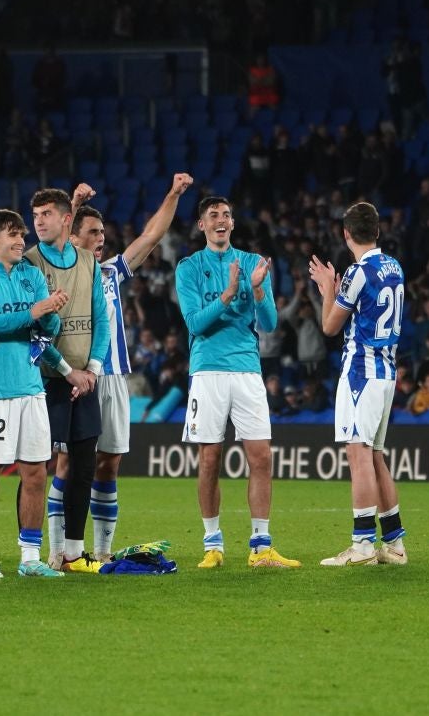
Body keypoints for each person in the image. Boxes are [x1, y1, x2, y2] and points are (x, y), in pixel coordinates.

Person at [67, 173, 192, 561]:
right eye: (92, 231)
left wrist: (172, 194)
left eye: (103, 231)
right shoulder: (61, 273)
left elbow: (151, 236)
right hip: (75, 378)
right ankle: (61, 552)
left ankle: (102, 554)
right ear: (75, 238)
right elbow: (51, 244)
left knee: (110, 462)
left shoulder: (110, 272)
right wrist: (71, 207)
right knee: (66, 462)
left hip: (115, 376)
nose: (101, 237)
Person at [177, 196, 298, 569]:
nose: (221, 220)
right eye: (213, 215)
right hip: (208, 370)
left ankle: (261, 545)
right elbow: (195, 324)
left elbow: (271, 323)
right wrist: (229, 294)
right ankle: (213, 544)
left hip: (247, 369)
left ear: (232, 223)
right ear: (201, 225)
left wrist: (258, 289)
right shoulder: (189, 267)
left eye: (227, 215)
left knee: (261, 456)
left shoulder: (252, 263)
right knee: (209, 459)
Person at [0, 209, 69, 580]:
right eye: (13, 235)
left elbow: (45, 329)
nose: (22, 240)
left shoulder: (32, 275)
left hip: (31, 389)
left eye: (22, 234)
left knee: (36, 475)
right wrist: (33, 311)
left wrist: (51, 311)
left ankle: (30, 557)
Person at [307, 201, 408, 567]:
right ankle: (394, 545)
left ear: (346, 234)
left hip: (360, 373)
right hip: (387, 374)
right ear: (378, 231)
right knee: (375, 454)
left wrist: (326, 289)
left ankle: (363, 545)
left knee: (358, 453)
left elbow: (331, 327)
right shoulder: (394, 266)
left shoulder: (357, 272)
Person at [24, 188, 109, 573]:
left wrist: (90, 370)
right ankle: (31, 553)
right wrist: (68, 371)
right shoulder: (28, 264)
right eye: (35, 214)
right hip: (45, 378)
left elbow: (101, 320)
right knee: (37, 468)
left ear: (65, 219)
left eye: (45, 214)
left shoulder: (89, 261)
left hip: (85, 380)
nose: (38, 221)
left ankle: (73, 553)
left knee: (84, 465)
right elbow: (33, 334)